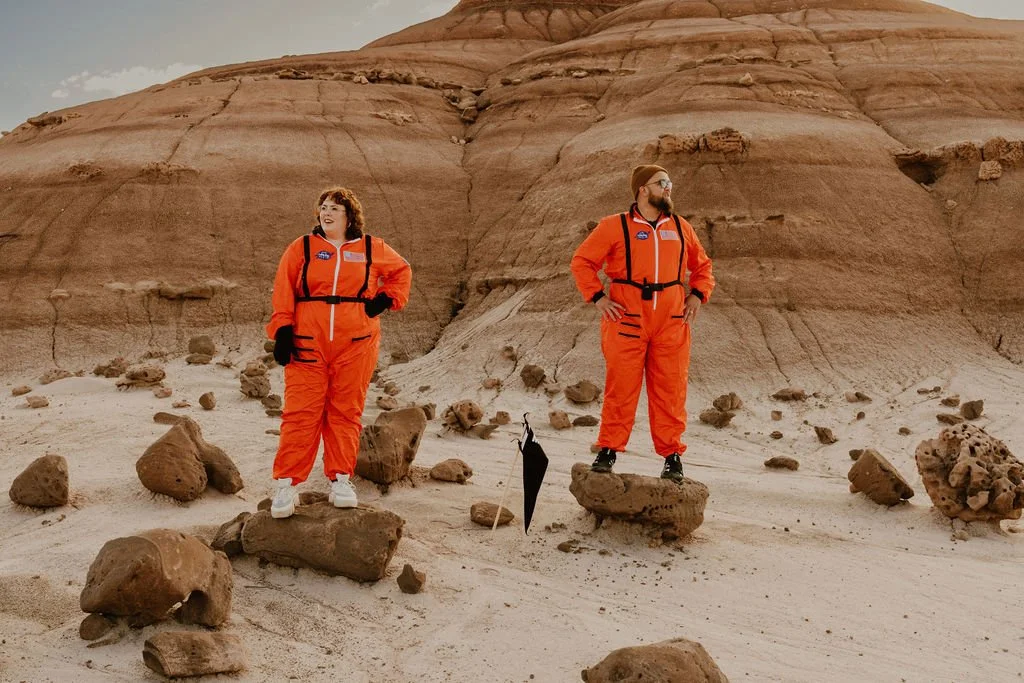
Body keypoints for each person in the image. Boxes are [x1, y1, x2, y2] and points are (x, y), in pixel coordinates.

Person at [266, 187, 411, 518]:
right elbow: (283, 287)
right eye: (323, 208)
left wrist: (386, 299)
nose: (326, 213)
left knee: (346, 411)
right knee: (301, 412)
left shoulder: (372, 248)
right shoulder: (302, 247)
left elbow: (402, 272)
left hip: (356, 343)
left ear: (350, 216)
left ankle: (341, 479)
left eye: (334, 208)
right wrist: (283, 330)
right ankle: (287, 484)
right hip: (307, 341)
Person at [570, 165, 714, 482]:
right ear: (643, 190)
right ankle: (608, 450)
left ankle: (672, 456)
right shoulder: (614, 226)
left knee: (671, 390)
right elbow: (582, 262)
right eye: (662, 183)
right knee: (621, 388)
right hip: (627, 318)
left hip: (672, 321)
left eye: (670, 182)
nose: (669, 188)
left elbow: (702, 266)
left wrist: (697, 295)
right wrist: (598, 298)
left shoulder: (681, 227)